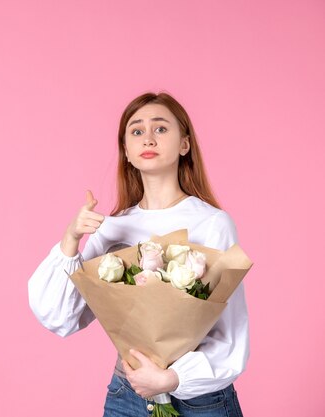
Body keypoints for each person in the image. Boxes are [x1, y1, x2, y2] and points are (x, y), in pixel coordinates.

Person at [27, 92, 248, 417]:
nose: (148, 137)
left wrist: (172, 378)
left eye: (160, 129)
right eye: (136, 131)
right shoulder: (112, 228)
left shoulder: (212, 223)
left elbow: (231, 333)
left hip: (201, 401)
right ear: (127, 152)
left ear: (184, 144)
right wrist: (70, 240)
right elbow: (61, 317)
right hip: (128, 395)